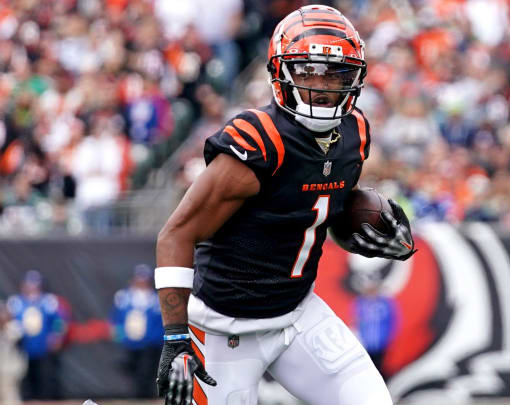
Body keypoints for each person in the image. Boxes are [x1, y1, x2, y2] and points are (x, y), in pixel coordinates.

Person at [153, 5, 416, 405]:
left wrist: (370, 226)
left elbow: (321, 203)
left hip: (297, 313)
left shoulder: (355, 132)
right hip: (226, 327)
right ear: (281, 72)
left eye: (336, 73)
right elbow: (177, 233)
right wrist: (175, 337)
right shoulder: (259, 140)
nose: (323, 85)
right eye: (308, 70)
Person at [7, 270, 66, 400]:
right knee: (23, 376)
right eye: (29, 284)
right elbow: (8, 320)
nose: (32, 287)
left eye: (35, 284)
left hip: (43, 346)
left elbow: (59, 320)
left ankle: (45, 401)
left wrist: (56, 336)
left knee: (45, 376)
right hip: (22, 347)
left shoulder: (48, 301)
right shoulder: (16, 302)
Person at [110, 264, 164, 398]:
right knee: (131, 368)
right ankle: (136, 394)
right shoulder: (123, 296)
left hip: (150, 342)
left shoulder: (156, 299)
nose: (142, 282)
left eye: (144, 279)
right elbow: (116, 317)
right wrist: (118, 332)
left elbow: (160, 321)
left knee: (146, 370)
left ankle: (144, 396)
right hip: (130, 341)